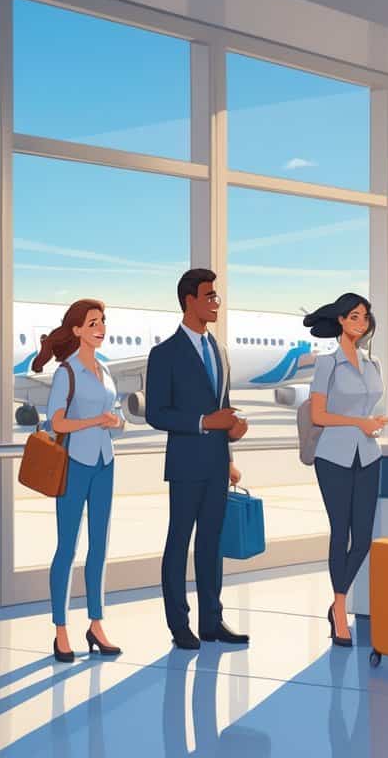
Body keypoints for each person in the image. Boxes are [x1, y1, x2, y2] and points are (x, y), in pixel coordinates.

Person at [146, 268, 250, 651]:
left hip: (216, 463)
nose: (216, 303)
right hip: (186, 464)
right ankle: (179, 625)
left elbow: (221, 408)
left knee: (212, 542)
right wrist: (205, 422)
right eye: (209, 296)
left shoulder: (219, 351)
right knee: (179, 542)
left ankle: (212, 620)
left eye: (216, 296)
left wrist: (233, 432)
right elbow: (156, 413)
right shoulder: (165, 354)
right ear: (189, 300)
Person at [36, 299, 124, 663]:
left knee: (99, 548)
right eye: (92, 323)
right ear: (76, 330)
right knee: (67, 548)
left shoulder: (105, 371)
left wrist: (115, 422)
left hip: (105, 461)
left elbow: (113, 413)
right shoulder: (66, 373)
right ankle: (60, 630)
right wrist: (94, 422)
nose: (100, 328)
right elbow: (56, 422)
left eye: (102, 322)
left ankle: (96, 624)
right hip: (75, 462)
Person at [305, 293, 387, 647]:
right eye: (354, 316)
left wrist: (372, 425)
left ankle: (337, 600)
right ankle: (340, 609)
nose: (361, 322)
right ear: (340, 320)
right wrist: (359, 422)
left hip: (368, 455)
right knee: (341, 532)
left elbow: (370, 409)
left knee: (364, 537)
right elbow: (317, 416)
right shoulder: (328, 365)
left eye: (365, 317)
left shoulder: (374, 364)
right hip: (334, 456)